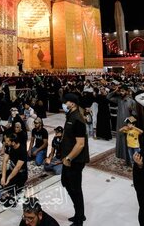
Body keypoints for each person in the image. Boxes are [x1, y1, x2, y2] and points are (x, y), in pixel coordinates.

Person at [61, 92, 89, 226]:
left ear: (72, 103)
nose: (63, 104)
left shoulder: (77, 119)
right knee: (67, 183)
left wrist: (69, 158)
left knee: (75, 189)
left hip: (75, 160)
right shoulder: (71, 115)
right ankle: (79, 213)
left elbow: (80, 144)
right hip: (68, 159)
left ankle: (79, 218)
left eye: (65, 102)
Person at [110, 84, 137, 164]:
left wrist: (130, 124)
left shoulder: (131, 101)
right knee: (121, 140)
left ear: (127, 91)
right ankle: (124, 157)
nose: (121, 92)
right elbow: (108, 97)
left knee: (128, 141)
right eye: (120, 91)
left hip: (128, 125)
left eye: (123, 91)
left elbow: (135, 115)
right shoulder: (119, 100)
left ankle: (130, 160)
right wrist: (115, 91)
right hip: (120, 123)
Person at [0, 133, 28, 206]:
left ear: (13, 143)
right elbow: (4, 162)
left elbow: (17, 168)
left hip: (21, 174)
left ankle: (14, 194)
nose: (6, 143)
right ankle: (2, 193)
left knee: (10, 186)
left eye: (8, 141)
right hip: (11, 170)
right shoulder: (9, 147)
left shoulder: (22, 150)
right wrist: (3, 177)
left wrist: (8, 179)